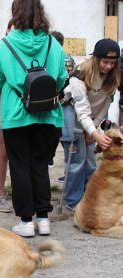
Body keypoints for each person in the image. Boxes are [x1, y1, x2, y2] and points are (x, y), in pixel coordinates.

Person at [0, 0, 66, 237]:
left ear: (15, 13)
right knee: (40, 166)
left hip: (15, 114)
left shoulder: (4, 46)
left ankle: (25, 222)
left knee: (20, 166)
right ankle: (43, 219)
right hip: (47, 114)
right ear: (40, 13)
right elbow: (62, 79)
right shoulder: (53, 43)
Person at [61, 38, 120, 211]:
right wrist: (94, 134)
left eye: (113, 63)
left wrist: (92, 131)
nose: (109, 66)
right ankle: (74, 201)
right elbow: (82, 110)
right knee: (77, 160)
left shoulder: (113, 76)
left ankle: (90, 196)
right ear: (96, 58)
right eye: (105, 62)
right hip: (73, 111)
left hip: (92, 117)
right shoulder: (80, 74)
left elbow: (105, 105)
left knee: (91, 161)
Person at [0, 20, 14, 213]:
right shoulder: (2, 48)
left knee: (21, 153)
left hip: (21, 110)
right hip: (2, 108)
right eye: (14, 27)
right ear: (7, 30)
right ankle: (0, 195)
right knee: (4, 151)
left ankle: (22, 193)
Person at [48, 31, 76, 170]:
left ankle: (50, 158)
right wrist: (66, 98)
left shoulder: (51, 57)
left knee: (54, 132)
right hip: (66, 100)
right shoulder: (70, 58)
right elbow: (73, 80)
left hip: (53, 100)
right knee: (64, 135)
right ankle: (67, 164)